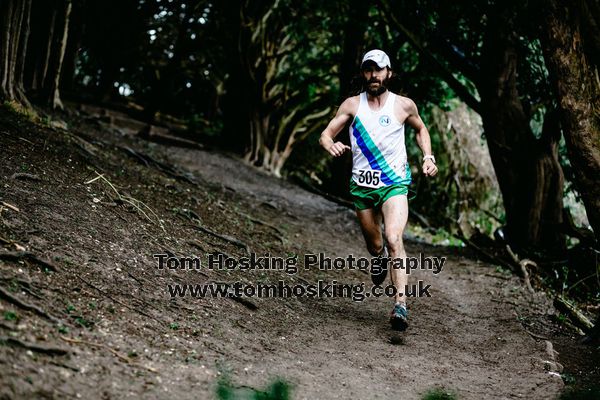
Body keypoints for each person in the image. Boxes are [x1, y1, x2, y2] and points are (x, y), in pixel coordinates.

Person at [319, 49, 438, 331]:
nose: (374, 75)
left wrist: (428, 156)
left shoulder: (403, 105)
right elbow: (325, 134)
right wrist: (330, 144)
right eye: (369, 69)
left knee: (394, 237)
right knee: (376, 245)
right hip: (362, 187)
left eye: (379, 69)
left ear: (389, 73)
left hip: (394, 184)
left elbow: (421, 130)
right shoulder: (352, 105)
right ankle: (378, 257)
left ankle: (400, 305)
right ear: (363, 73)